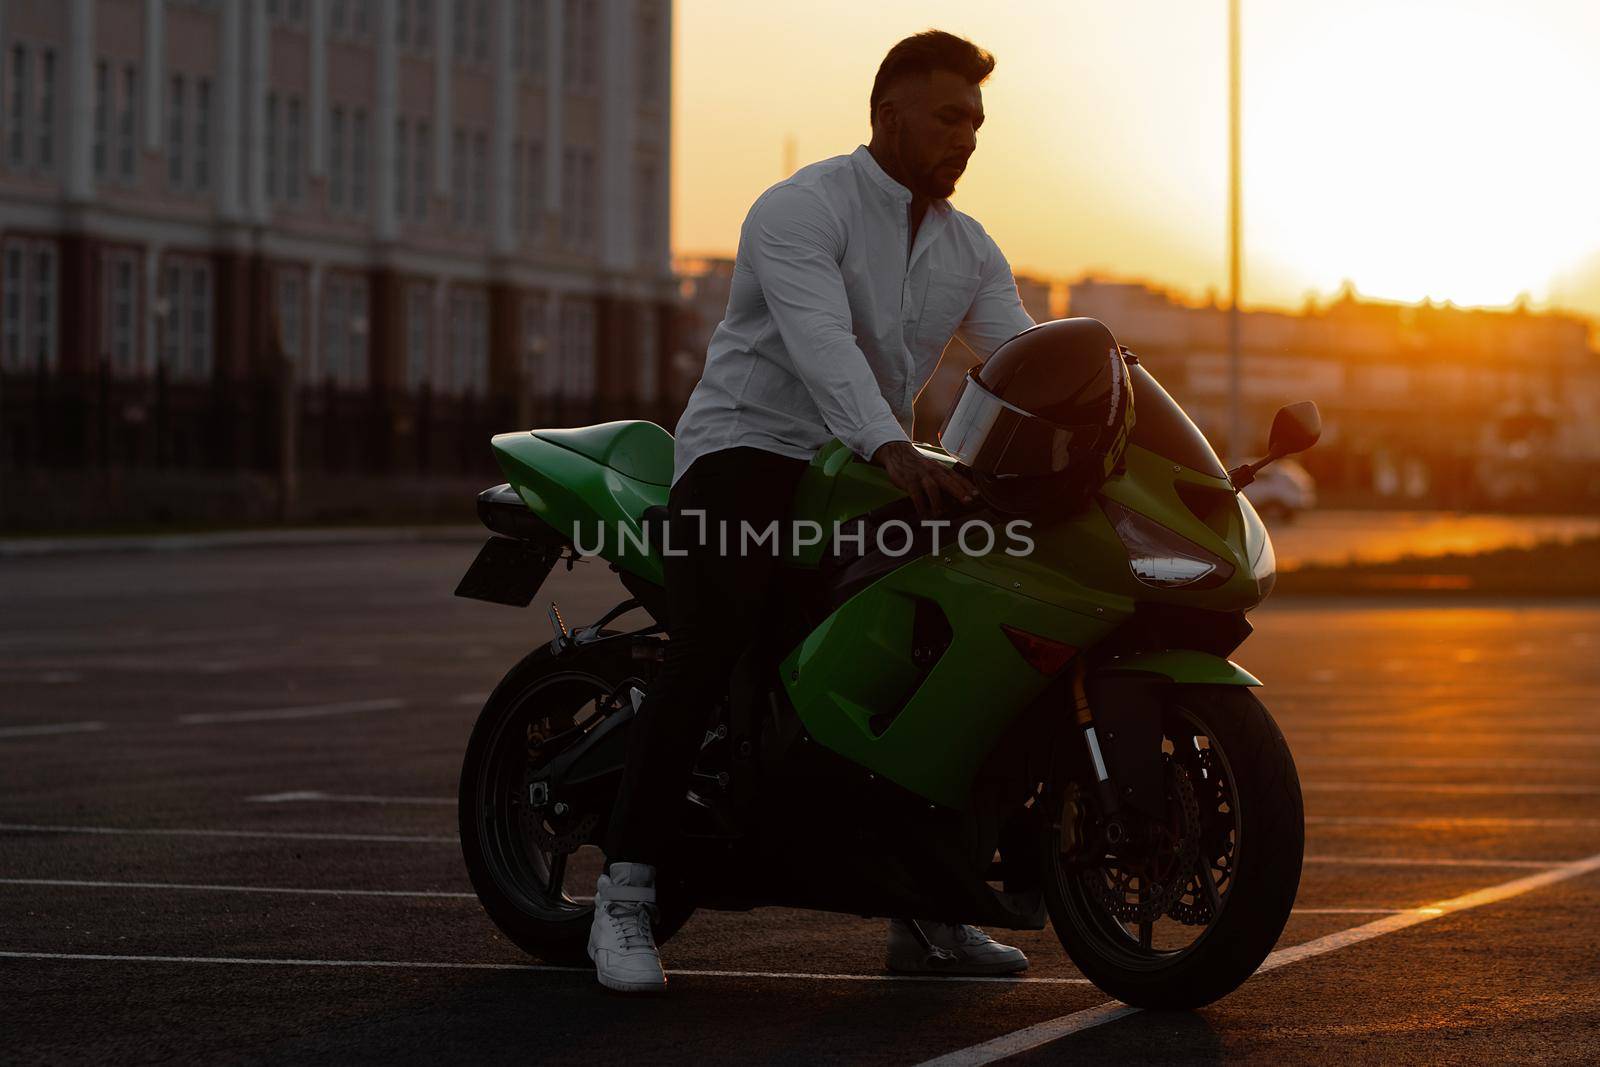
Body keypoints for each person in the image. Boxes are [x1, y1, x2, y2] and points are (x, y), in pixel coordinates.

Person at [589, 29, 1038, 993]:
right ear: (889, 114)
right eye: (949, 116)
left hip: (862, 465)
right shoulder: (803, 208)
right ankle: (624, 893)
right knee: (715, 640)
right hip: (747, 451)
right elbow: (822, 344)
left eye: (977, 122)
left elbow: (1031, 364)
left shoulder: (968, 248)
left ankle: (929, 911)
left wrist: (1124, 428)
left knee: (945, 650)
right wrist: (891, 446)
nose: (967, 137)